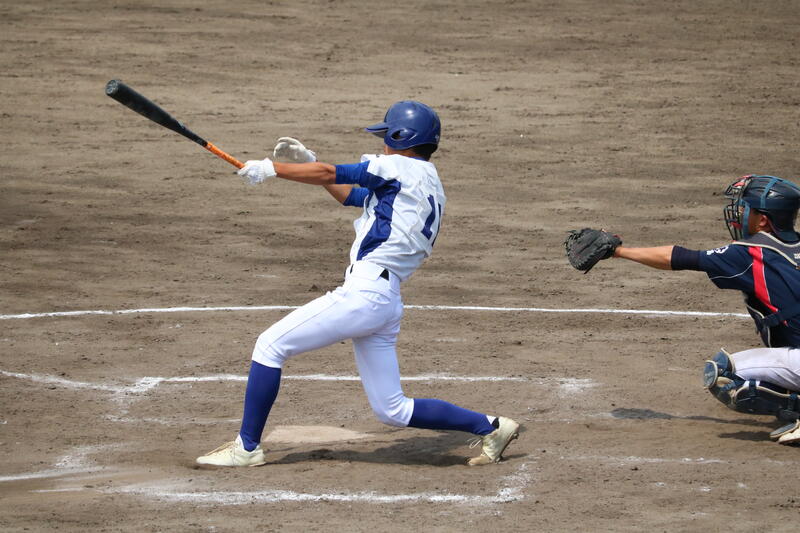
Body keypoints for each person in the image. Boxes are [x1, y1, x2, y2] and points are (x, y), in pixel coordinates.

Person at [196, 101, 520, 467]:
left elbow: (331, 172)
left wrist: (272, 169)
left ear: (401, 137)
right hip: (386, 300)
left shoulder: (396, 166)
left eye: (387, 137)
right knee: (392, 409)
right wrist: (308, 162)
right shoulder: (426, 182)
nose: (383, 144)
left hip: (365, 294)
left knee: (270, 346)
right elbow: (352, 195)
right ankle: (491, 426)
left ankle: (246, 448)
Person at [581, 175, 800, 445]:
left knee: (723, 373)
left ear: (763, 220)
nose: (739, 213)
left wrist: (618, 251)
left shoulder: (751, 254)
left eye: (747, 208)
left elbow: (679, 257)